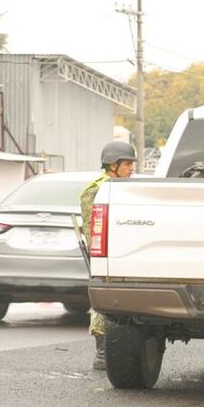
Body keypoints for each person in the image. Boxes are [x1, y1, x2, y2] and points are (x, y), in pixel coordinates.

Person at [80, 141, 137, 370]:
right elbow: (91, 226)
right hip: (105, 254)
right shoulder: (98, 189)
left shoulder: (122, 186)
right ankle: (102, 354)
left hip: (125, 253)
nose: (131, 169)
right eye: (127, 164)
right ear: (113, 165)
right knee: (102, 304)